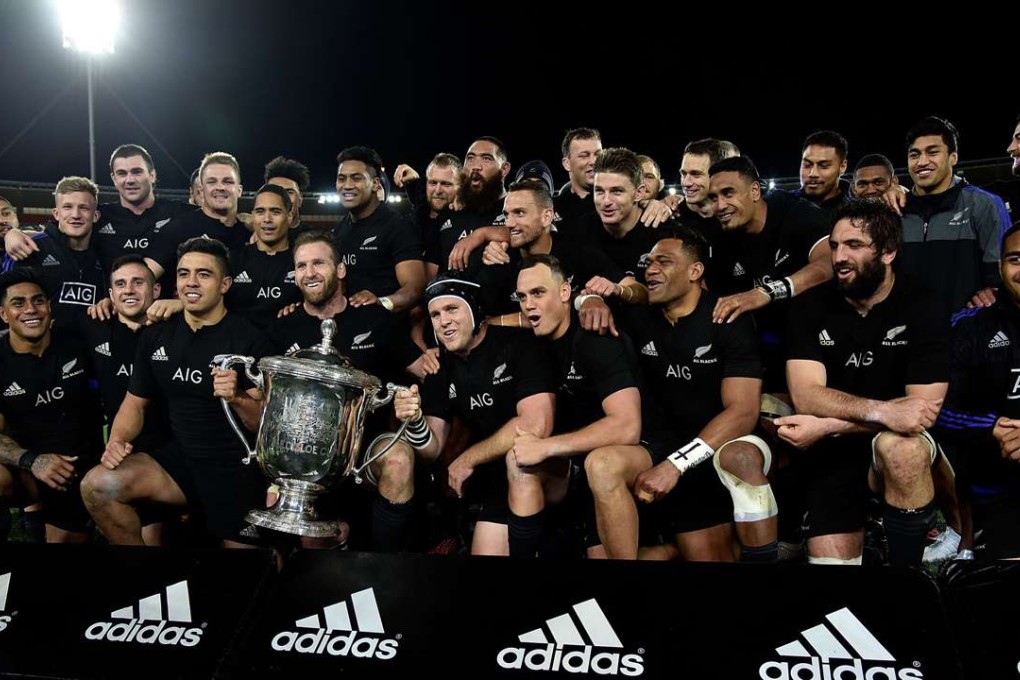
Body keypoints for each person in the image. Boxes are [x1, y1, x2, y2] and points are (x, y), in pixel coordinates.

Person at [775, 200, 950, 566]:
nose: (839, 256)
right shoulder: (810, 306)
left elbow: (919, 414)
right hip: (833, 454)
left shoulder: (924, 303)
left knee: (904, 449)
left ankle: (908, 574)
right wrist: (883, 409)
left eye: (854, 245)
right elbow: (807, 396)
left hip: (887, 442)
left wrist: (826, 425)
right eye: (835, 245)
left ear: (888, 253)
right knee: (834, 578)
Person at [585, 229, 778, 561]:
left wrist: (676, 465)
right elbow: (588, 295)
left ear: (695, 271)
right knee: (601, 464)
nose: (651, 269)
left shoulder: (726, 317)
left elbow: (743, 413)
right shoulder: (640, 316)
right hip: (657, 446)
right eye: (649, 262)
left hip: (712, 447)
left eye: (664, 261)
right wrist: (588, 299)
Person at [80, 237, 271, 547]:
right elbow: (135, 404)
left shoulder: (249, 340)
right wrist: (117, 441)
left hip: (235, 472)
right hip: (178, 464)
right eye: (183, 273)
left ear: (225, 284)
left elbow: (265, 424)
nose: (191, 282)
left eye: (203, 274)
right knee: (97, 485)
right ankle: (145, 580)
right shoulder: (157, 334)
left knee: (245, 578)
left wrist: (237, 398)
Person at [392, 275, 556, 555]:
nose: (443, 321)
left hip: (549, 468)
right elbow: (431, 450)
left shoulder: (519, 344)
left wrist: (469, 458)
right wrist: (415, 421)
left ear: (475, 311)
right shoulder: (439, 366)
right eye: (435, 314)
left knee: (519, 460)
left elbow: (535, 424)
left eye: (452, 309)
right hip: (496, 480)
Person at [509, 255, 643, 558]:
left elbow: (627, 426)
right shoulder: (534, 340)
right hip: (577, 463)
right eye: (522, 296)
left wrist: (547, 447)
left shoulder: (596, 335)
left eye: (538, 293)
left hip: (634, 449)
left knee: (601, 464)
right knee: (518, 462)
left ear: (566, 292)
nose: (528, 304)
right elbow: (496, 323)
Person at [705, 155, 832, 391]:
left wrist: (766, 292)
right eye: (714, 198)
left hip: (820, 343)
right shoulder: (720, 236)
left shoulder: (797, 214)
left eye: (728, 193)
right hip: (764, 349)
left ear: (754, 191)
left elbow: (828, 263)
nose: (720, 205)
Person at [0, 270, 104, 543]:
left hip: (79, 470)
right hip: (27, 472)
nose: (31, 309)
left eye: (38, 300)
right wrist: (33, 460)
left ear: (49, 306)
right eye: (18, 303)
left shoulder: (76, 341)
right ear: (3, 314)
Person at [937, 223, 1020, 559]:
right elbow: (939, 411)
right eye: (1016, 259)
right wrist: (993, 426)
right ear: (1000, 266)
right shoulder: (970, 326)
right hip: (1000, 484)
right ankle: (970, 541)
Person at [892, 116, 1011, 318]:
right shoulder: (894, 209)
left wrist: (994, 292)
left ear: (953, 157)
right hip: (906, 334)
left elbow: (1004, 275)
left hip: (965, 333)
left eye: (933, 152)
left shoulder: (983, 204)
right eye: (914, 155)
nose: (922, 162)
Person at [4, 145, 191, 272]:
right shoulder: (98, 216)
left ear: (152, 175)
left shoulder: (179, 213)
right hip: (110, 317)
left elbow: (216, 224)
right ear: (113, 179)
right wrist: (12, 234)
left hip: (165, 317)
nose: (130, 180)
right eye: (122, 173)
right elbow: (55, 232)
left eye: (137, 171)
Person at [333, 146, 426, 314]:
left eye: (356, 178)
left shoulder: (398, 227)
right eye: (341, 179)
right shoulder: (338, 231)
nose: (347, 185)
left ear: (375, 184)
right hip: (347, 329)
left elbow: (414, 288)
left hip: (387, 331)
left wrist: (382, 302)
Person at [2, 176, 106, 322]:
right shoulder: (29, 248)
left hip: (93, 343)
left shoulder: (106, 254)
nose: (75, 215)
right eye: (67, 207)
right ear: (56, 214)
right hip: (43, 344)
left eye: (83, 208)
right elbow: (7, 301)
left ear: (95, 216)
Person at [225, 184, 301, 330]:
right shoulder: (233, 260)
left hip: (289, 345)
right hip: (242, 345)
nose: (267, 219)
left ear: (289, 216)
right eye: (260, 211)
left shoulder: (302, 262)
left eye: (275, 211)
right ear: (253, 216)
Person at [393, 153, 463, 279]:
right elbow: (419, 190)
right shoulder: (419, 211)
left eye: (446, 184)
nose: (438, 190)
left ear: (461, 187)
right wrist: (413, 178)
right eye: (432, 183)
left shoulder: (461, 220)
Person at [794, 130, 851, 212]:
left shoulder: (856, 211)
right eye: (807, 165)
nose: (813, 173)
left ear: (842, 166)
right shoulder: (783, 204)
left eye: (823, 166)